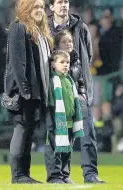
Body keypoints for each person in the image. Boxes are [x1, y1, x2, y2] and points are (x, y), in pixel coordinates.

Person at [46, 0, 105, 184]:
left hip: (80, 90)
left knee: (88, 134)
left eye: (66, 2)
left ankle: (91, 174)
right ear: (52, 6)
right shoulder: (45, 27)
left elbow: (87, 56)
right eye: (60, 2)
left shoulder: (80, 26)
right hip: (56, 91)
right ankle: (61, 175)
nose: (64, 5)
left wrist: (81, 85)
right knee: (59, 136)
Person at [5, 0, 53, 184]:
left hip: (36, 92)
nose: (40, 10)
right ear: (26, 9)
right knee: (22, 129)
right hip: (24, 92)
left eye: (41, 7)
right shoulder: (19, 28)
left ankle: (24, 174)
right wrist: (24, 90)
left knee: (28, 132)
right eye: (35, 7)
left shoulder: (39, 32)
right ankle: (18, 175)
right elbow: (17, 63)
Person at [46, 49, 84, 184]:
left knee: (67, 151)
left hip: (69, 122)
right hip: (57, 122)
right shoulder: (52, 81)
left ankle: (65, 175)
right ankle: (54, 176)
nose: (66, 65)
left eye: (67, 62)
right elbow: (50, 104)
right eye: (62, 62)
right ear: (53, 64)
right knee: (55, 151)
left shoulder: (70, 81)